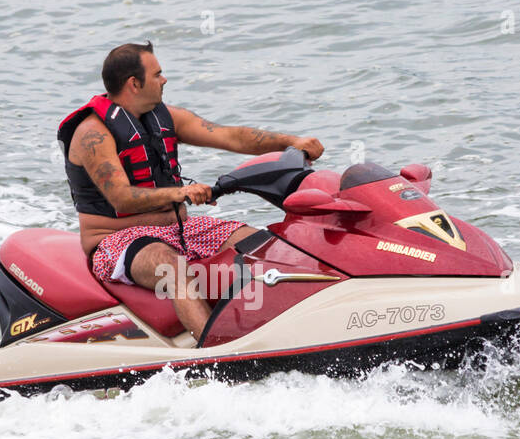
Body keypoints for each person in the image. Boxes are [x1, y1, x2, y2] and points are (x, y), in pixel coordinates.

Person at [58, 41, 323, 342]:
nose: (164, 79)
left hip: (180, 228)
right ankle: (215, 356)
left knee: (265, 247)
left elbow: (230, 136)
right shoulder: (92, 133)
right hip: (115, 242)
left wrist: (291, 141)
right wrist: (179, 193)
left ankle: (293, 330)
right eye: (157, 74)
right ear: (134, 83)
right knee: (172, 266)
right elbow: (121, 197)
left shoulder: (164, 117)